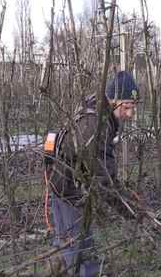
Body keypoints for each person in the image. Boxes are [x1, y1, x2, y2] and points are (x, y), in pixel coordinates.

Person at [47, 70, 140, 276]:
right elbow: (104, 181)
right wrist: (131, 211)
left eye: (133, 108)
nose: (130, 114)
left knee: (66, 246)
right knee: (83, 252)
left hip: (62, 184)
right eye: (126, 107)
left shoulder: (97, 114)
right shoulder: (95, 125)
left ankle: (60, 268)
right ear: (112, 99)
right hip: (69, 190)